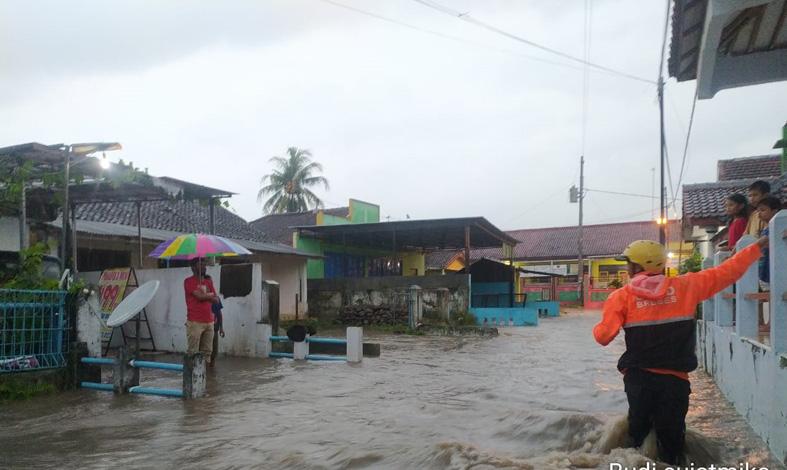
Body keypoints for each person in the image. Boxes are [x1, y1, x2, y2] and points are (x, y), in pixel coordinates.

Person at [593, 235, 768, 465]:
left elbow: (603, 337)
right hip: (675, 381)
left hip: (639, 379)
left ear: (636, 266)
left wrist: (603, 321)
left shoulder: (621, 297)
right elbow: (727, 272)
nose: (627, 268)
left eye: (628, 264)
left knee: (637, 435)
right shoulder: (686, 286)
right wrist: (754, 249)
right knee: (672, 442)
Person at [184, 258, 219, 364]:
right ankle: (191, 378)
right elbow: (199, 297)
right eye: (201, 264)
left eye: (204, 264)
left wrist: (206, 295)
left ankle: (206, 379)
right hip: (195, 322)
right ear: (193, 267)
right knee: (193, 352)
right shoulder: (188, 281)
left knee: (207, 352)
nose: (204, 266)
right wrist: (209, 295)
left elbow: (216, 299)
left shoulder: (208, 281)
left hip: (209, 321)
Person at [210, 288, 225, 365]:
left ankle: (211, 366)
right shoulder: (202, 298)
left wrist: (221, 328)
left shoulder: (217, 299)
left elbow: (219, 314)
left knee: (214, 350)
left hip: (214, 328)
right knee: (205, 349)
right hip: (205, 328)